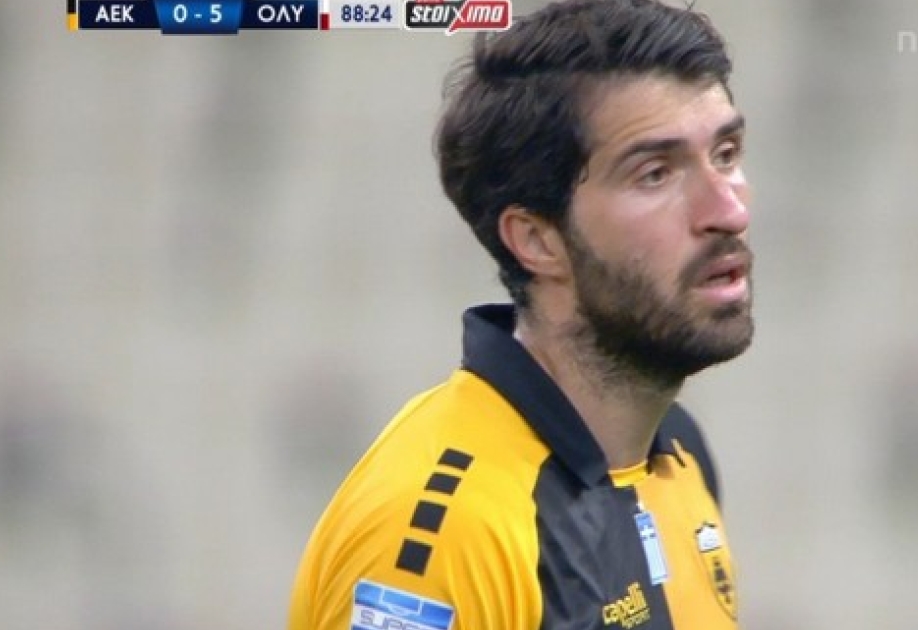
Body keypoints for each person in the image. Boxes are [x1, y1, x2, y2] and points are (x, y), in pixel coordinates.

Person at [288, 0, 754, 627]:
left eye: (725, 153)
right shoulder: (448, 533)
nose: (729, 210)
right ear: (537, 240)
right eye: (654, 174)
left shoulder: (678, 452)